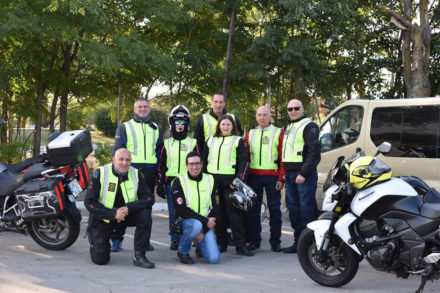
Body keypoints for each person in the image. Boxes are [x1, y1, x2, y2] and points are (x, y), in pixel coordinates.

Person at [84, 148, 155, 268]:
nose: (124, 163)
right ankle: (95, 240)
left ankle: (139, 256)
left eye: (128, 160)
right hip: (105, 217)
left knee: (145, 214)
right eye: (121, 159)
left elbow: (149, 198)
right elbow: (89, 202)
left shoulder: (136, 174)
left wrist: (129, 208)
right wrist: (113, 213)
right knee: (100, 260)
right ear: (113, 160)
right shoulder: (100, 173)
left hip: (126, 214)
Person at [111, 98, 163, 252]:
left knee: (146, 206)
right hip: (129, 171)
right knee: (122, 203)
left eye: (145, 106)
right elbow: (117, 150)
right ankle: (116, 240)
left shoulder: (156, 128)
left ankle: (144, 242)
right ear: (134, 109)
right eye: (139, 107)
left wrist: (159, 171)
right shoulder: (125, 127)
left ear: (149, 109)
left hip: (149, 172)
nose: (142, 109)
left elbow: (160, 151)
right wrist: (117, 171)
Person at [201, 115, 252, 256]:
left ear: (233, 126)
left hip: (230, 184)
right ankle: (222, 243)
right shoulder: (210, 140)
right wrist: (205, 179)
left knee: (235, 215)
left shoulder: (238, 141)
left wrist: (237, 182)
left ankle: (240, 245)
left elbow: (244, 163)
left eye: (228, 124)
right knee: (218, 214)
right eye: (223, 124)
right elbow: (203, 161)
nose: (225, 127)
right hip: (213, 183)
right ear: (219, 126)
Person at [282, 99, 320, 253]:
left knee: (306, 211)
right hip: (290, 175)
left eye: (296, 108)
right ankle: (298, 243)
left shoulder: (309, 126)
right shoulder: (290, 127)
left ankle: (310, 245)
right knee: (294, 211)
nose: (293, 111)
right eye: (290, 109)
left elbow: (314, 153)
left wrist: (303, 173)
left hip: (304, 176)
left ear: (303, 109)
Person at [244, 106, 285, 252]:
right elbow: (246, 158)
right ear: (256, 117)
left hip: (273, 177)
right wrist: (245, 178)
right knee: (254, 210)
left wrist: (281, 178)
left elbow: (282, 157)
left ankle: (275, 242)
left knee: (274, 210)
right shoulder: (250, 134)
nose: (262, 117)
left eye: (265, 115)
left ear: (270, 117)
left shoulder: (278, 133)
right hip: (254, 177)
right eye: (259, 115)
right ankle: (255, 240)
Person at [157, 105, 198, 250]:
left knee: (191, 211)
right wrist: (161, 182)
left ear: (187, 124)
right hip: (172, 183)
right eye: (177, 122)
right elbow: (161, 165)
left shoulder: (193, 143)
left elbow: (199, 164)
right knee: (174, 212)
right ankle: (175, 239)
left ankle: (192, 238)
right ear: (172, 123)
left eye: (183, 122)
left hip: (190, 182)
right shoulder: (166, 144)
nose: (180, 125)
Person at [171, 151, 220, 265]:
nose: (194, 167)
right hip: (187, 221)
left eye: (197, 163)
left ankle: (199, 242)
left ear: (202, 164)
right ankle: (183, 251)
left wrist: (206, 229)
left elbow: (216, 206)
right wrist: (206, 221)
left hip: (206, 224)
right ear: (186, 165)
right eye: (191, 164)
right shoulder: (179, 181)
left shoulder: (210, 179)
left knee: (214, 259)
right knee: (196, 226)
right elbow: (181, 210)